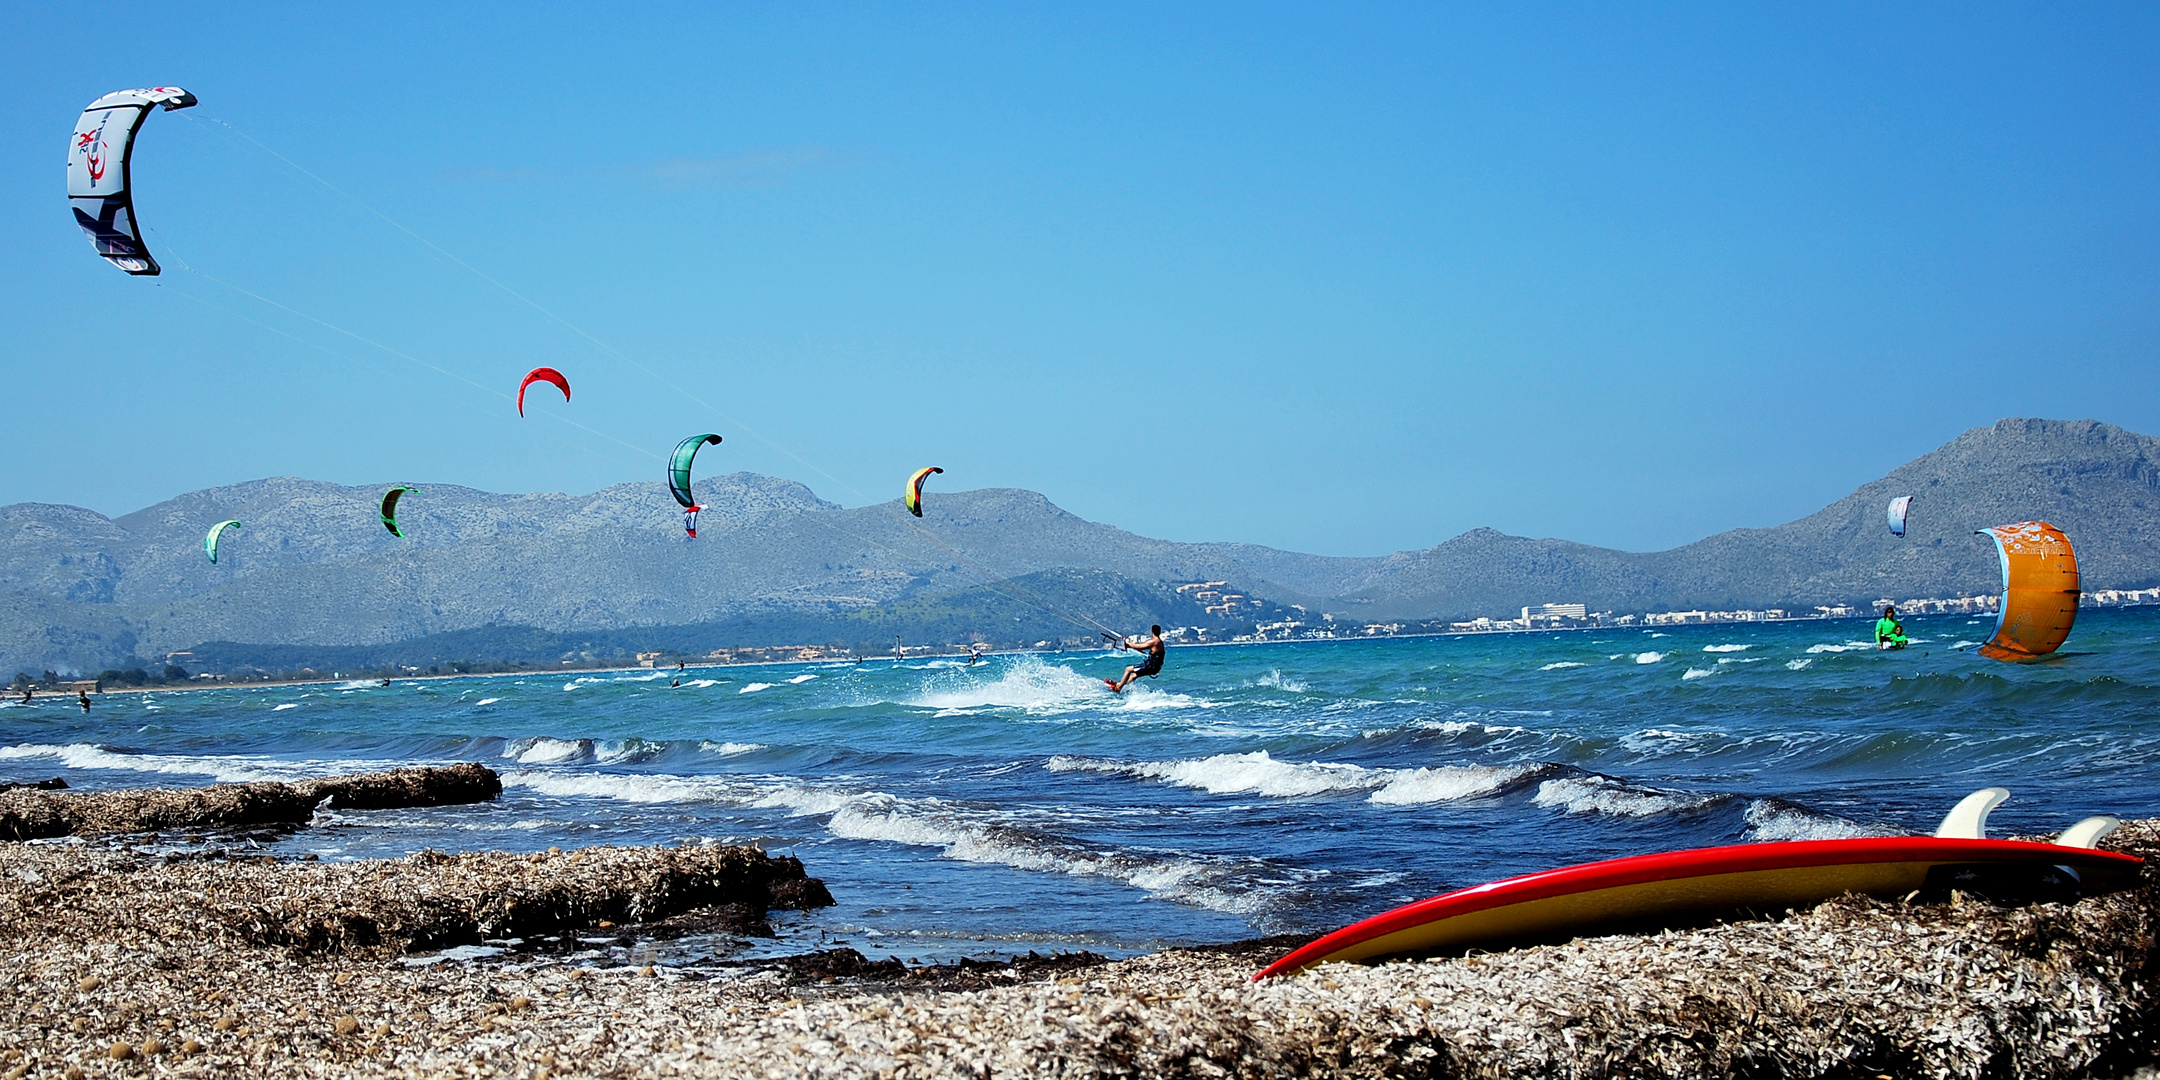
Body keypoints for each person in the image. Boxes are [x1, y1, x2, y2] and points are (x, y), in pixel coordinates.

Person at [1106, 625, 1167, 693]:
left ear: (1152, 632)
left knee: (1128, 669)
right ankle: (1120, 685)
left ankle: (1119, 688)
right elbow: (1141, 647)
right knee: (1134, 676)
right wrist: (1129, 645)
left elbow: (1139, 646)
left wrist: (1127, 643)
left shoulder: (1154, 641)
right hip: (1155, 667)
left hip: (1151, 666)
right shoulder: (1159, 642)